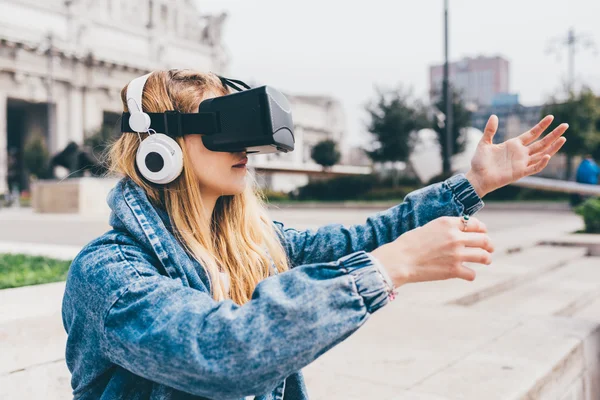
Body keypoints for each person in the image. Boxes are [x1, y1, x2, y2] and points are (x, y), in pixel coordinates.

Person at [61, 69, 568, 400]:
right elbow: (221, 352)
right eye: (222, 127)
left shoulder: (253, 246)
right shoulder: (110, 275)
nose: (246, 147)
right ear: (160, 150)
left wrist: (473, 183)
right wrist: (388, 269)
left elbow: (363, 237)